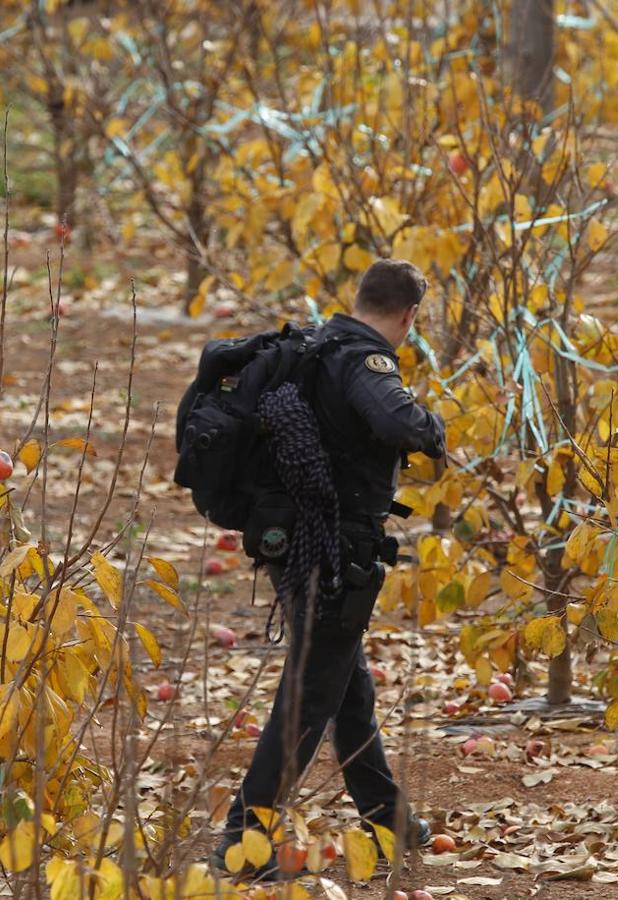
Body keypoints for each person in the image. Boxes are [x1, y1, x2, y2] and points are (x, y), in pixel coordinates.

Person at [213, 258, 447, 879]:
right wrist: (433, 428)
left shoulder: (319, 344)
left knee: (347, 690)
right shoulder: (365, 359)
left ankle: (389, 818)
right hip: (333, 550)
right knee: (310, 695)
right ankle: (243, 839)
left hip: (294, 540)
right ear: (408, 316)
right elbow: (397, 419)